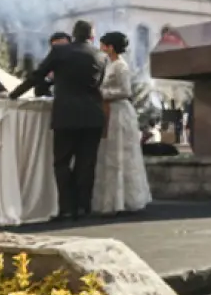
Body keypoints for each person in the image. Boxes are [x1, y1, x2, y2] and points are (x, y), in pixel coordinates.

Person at [9, 19, 106, 219]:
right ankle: (83, 207)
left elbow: (37, 76)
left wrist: (13, 95)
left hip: (66, 113)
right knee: (87, 163)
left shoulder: (60, 52)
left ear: (73, 34)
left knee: (62, 162)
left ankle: (67, 207)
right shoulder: (101, 56)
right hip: (93, 114)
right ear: (91, 36)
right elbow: (99, 84)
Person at [92, 31, 151, 215]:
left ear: (110, 47)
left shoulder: (121, 66)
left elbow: (125, 90)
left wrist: (102, 94)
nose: (101, 49)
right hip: (109, 110)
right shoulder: (110, 65)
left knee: (119, 153)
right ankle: (111, 200)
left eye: (103, 45)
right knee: (109, 153)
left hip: (119, 111)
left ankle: (124, 199)